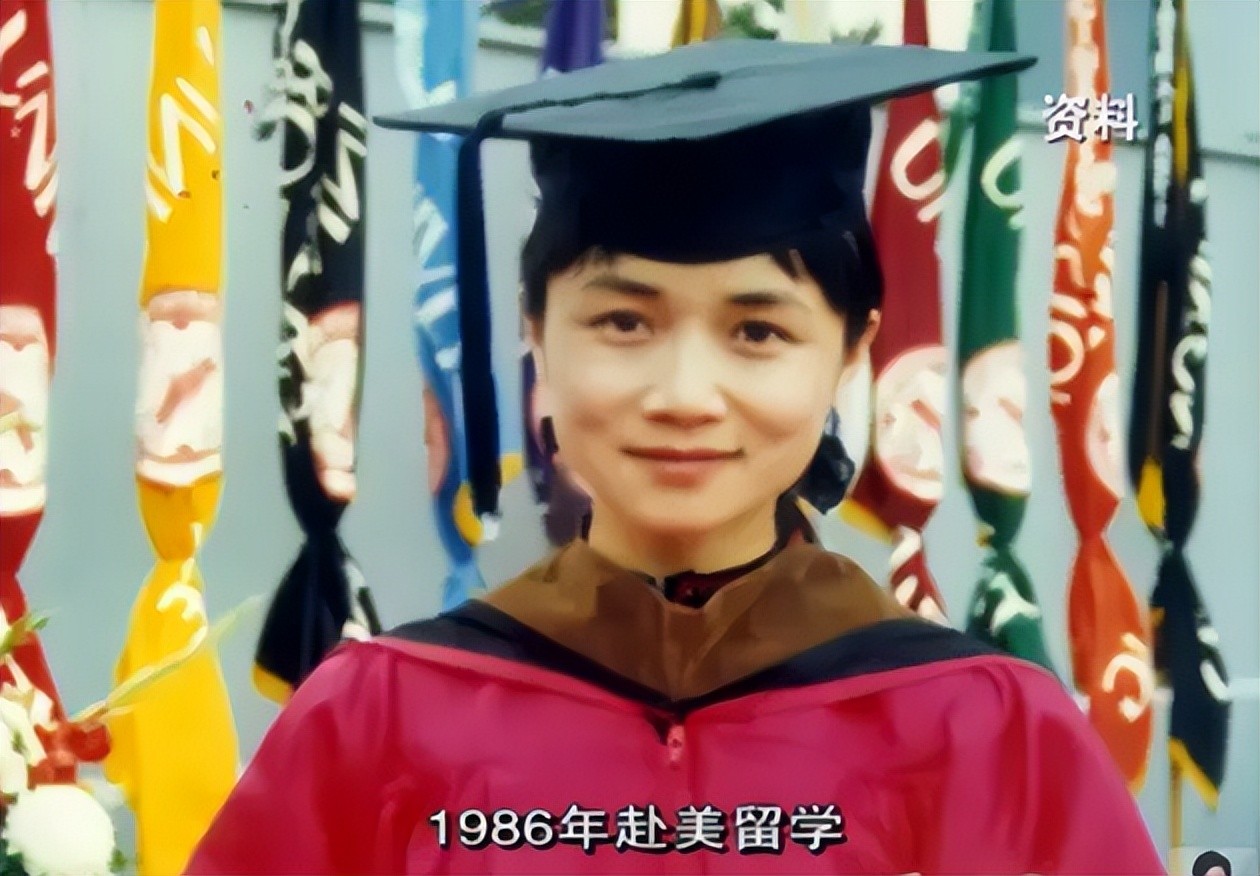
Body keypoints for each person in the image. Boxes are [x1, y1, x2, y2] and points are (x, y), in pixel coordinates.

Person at [186, 40, 1165, 874]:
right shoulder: (378, 717)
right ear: (534, 332)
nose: (685, 395)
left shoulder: (991, 732)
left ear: (851, 355)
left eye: (758, 332)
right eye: (623, 321)